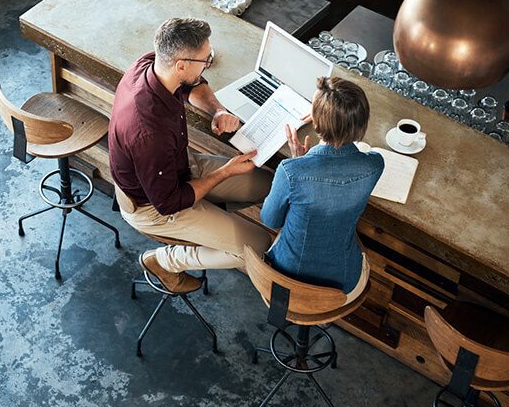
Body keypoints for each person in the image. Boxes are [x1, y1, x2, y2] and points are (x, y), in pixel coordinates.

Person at [109, 17, 272, 293]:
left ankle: (212, 216)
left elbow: (192, 84)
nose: (208, 64)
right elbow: (169, 202)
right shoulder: (149, 132)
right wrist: (225, 172)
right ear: (181, 64)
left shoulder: (153, 64)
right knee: (258, 245)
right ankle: (164, 261)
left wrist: (218, 110)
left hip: (179, 167)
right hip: (154, 205)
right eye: (204, 60)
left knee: (267, 184)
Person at [260, 76, 384, 304]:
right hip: (340, 288)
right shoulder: (375, 165)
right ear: (362, 125)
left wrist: (301, 161)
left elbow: (270, 220)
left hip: (286, 281)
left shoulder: (290, 171)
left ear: (316, 123)